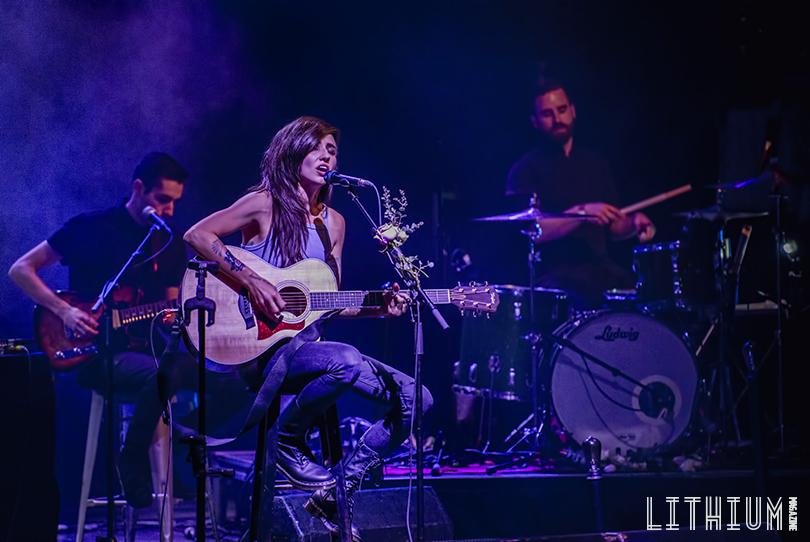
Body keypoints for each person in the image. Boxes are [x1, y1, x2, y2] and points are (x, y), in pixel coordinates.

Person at [183, 116, 433, 540]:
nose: (325, 155)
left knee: (417, 398)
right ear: (292, 150)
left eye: (332, 150)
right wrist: (252, 280)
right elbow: (198, 235)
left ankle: (339, 490)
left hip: (308, 348)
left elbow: (326, 306)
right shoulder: (264, 203)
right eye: (316, 147)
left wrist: (380, 308)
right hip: (262, 350)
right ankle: (287, 441)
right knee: (346, 360)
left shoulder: (334, 223)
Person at [8, 152, 247, 509]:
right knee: (159, 374)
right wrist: (65, 312)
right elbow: (20, 269)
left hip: (148, 352)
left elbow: (169, 309)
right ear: (138, 189)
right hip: (95, 354)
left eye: (174, 203)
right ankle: (131, 460)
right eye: (162, 200)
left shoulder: (168, 243)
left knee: (236, 381)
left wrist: (174, 319)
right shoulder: (90, 226)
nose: (168, 210)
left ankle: (181, 438)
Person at [505, 79, 656, 309]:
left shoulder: (595, 163)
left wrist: (634, 224)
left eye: (562, 110)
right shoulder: (525, 169)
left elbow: (613, 228)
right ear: (535, 122)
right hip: (556, 275)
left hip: (601, 269)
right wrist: (580, 214)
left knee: (647, 293)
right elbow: (532, 231)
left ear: (573, 111)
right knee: (579, 296)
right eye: (547, 114)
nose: (557, 119)